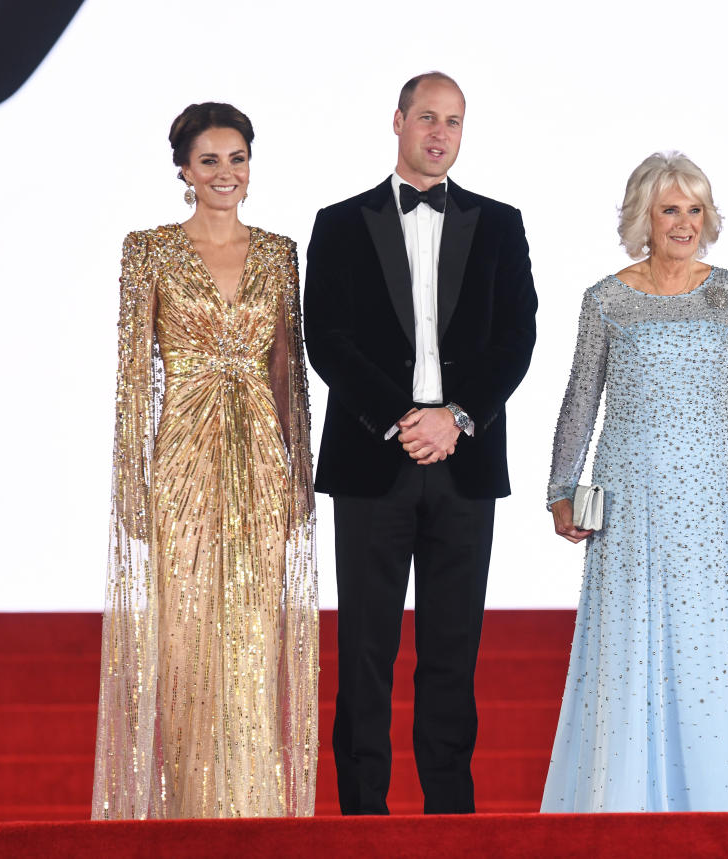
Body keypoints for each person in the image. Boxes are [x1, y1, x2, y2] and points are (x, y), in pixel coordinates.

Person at [541, 152, 728, 812]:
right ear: (644, 218)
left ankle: (721, 806)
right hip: (629, 498)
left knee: (712, 649)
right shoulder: (606, 299)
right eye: (670, 210)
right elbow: (581, 398)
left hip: (714, 497)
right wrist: (559, 487)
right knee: (630, 647)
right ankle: (629, 806)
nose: (685, 223)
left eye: (694, 209)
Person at [303, 72, 537, 815]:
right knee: (365, 654)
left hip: (465, 465)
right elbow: (327, 339)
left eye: (455, 122)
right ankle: (363, 816)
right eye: (428, 118)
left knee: (451, 653)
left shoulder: (500, 222)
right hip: (374, 462)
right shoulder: (340, 222)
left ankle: (450, 818)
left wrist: (456, 416)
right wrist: (402, 418)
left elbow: (517, 337)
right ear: (398, 121)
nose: (441, 134)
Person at [92, 103, 319, 819]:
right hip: (183, 456)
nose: (227, 173)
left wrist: (299, 477)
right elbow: (133, 376)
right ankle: (194, 815)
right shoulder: (148, 250)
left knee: (252, 637)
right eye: (211, 160)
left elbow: (289, 369)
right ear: (184, 171)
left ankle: (255, 810)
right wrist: (133, 479)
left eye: (238, 157)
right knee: (188, 643)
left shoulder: (281, 252)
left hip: (259, 457)